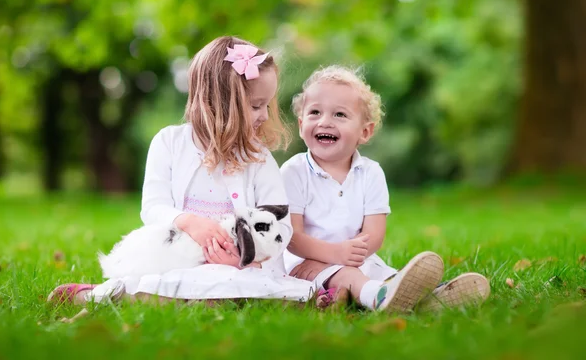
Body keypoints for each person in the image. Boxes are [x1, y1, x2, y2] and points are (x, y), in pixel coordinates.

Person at [48, 36, 313, 305]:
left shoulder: (258, 158)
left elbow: (280, 224)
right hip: (181, 263)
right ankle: (99, 296)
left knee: (264, 296)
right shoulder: (169, 143)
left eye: (266, 105)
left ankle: (176, 298)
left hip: (243, 269)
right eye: (256, 106)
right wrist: (189, 222)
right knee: (174, 289)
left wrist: (244, 259)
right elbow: (153, 207)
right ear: (218, 102)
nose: (265, 116)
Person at [281, 65, 490, 312]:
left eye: (339, 115)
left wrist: (356, 253)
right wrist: (336, 254)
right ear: (301, 123)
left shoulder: (370, 173)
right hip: (304, 264)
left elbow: (374, 232)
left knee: (381, 273)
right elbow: (291, 237)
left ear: (365, 131)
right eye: (315, 112)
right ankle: (378, 297)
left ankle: (427, 299)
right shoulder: (293, 171)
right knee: (348, 274)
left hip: (355, 259)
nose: (325, 121)